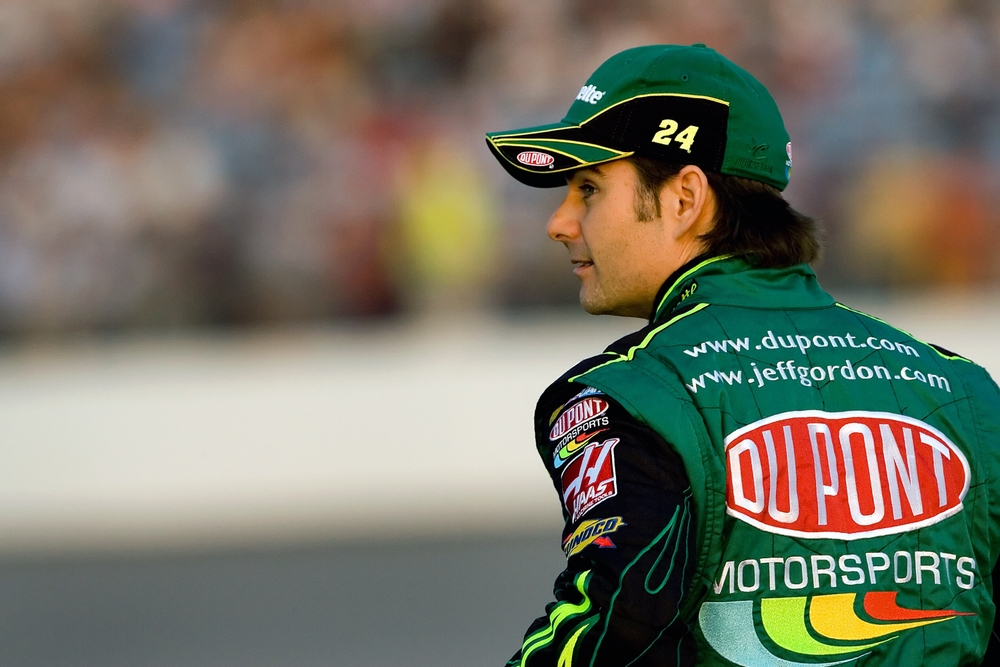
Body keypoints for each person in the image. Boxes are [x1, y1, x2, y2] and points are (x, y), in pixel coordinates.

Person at [485, 44, 1000, 666]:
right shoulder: (963, 389)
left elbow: (617, 628)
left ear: (684, 198)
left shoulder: (629, 394)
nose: (560, 223)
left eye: (589, 189)